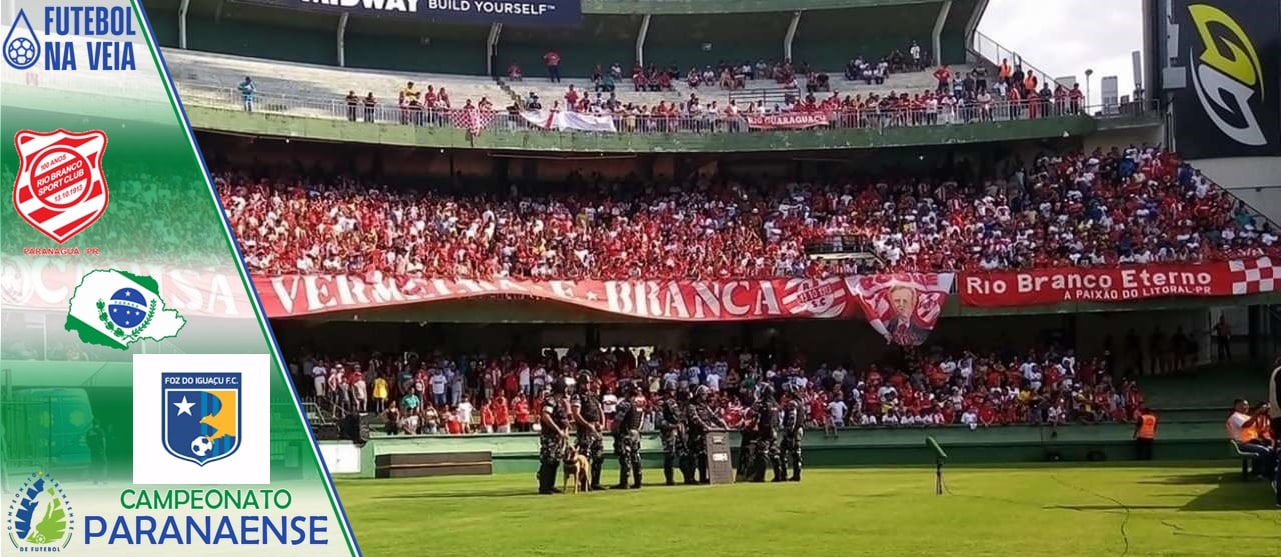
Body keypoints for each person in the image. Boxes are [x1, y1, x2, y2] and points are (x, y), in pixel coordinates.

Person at [536, 376, 572, 495]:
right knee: (548, 460)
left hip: (557, 437)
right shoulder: (550, 400)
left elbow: (563, 419)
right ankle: (544, 487)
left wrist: (565, 430)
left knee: (555, 460)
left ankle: (551, 485)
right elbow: (546, 416)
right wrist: (558, 430)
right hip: (549, 436)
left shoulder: (560, 402)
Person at [572, 371, 606, 490]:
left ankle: (595, 482)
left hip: (596, 429)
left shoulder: (593, 396)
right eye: (584, 383)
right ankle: (584, 484)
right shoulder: (577, 396)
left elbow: (600, 410)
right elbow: (576, 414)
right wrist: (587, 424)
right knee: (585, 457)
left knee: (599, 456)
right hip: (585, 430)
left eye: (588, 383)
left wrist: (602, 424)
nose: (587, 385)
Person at [687, 385, 727, 484]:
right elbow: (695, 419)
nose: (705, 397)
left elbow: (713, 417)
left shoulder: (705, 406)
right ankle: (691, 478)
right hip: (695, 435)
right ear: (699, 395)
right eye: (704, 395)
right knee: (694, 458)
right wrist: (705, 426)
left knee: (704, 457)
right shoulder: (691, 406)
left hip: (705, 436)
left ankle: (704, 477)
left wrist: (723, 425)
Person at [1227, 399, 1274, 477]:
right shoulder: (1235, 416)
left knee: (1271, 449)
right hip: (1241, 443)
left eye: (1247, 405)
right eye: (1243, 405)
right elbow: (1246, 425)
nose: (1246, 407)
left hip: (1251, 441)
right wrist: (1258, 412)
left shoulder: (1246, 416)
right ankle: (1257, 473)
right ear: (1236, 406)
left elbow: (1256, 429)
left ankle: (1265, 472)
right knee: (1264, 450)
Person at [612, 381, 644, 489]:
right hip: (636, 432)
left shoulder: (626, 404)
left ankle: (624, 482)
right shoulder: (638, 405)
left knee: (625, 458)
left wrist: (615, 432)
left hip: (626, 433)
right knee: (636, 457)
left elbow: (618, 420)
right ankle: (638, 481)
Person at [657, 383, 689, 485]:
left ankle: (688, 478)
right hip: (668, 433)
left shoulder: (675, 403)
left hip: (679, 432)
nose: (673, 393)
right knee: (669, 456)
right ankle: (669, 480)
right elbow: (659, 421)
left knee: (683, 453)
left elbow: (680, 417)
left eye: (674, 390)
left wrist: (681, 425)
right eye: (671, 390)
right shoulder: (662, 403)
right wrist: (672, 426)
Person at [748, 384, 781, 482]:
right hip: (774, 431)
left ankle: (760, 476)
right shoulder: (775, 404)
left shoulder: (763, 403)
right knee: (774, 453)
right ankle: (778, 476)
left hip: (765, 431)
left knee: (762, 453)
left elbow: (751, 412)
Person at [778, 384, 805, 482]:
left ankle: (783, 474)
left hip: (793, 431)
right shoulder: (801, 402)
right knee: (796, 453)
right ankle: (796, 474)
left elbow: (792, 419)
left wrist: (789, 432)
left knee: (782, 452)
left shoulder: (792, 403)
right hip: (799, 430)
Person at [85, 419, 107, 485]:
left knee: (94, 464)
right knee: (103, 464)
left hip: (93, 451)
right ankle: (103, 479)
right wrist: (104, 450)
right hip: (100, 451)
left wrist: (90, 447)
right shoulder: (100, 431)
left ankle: (95, 480)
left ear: (92, 423)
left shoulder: (89, 431)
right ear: (98, 424)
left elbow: (87, 441)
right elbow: (103, 441)